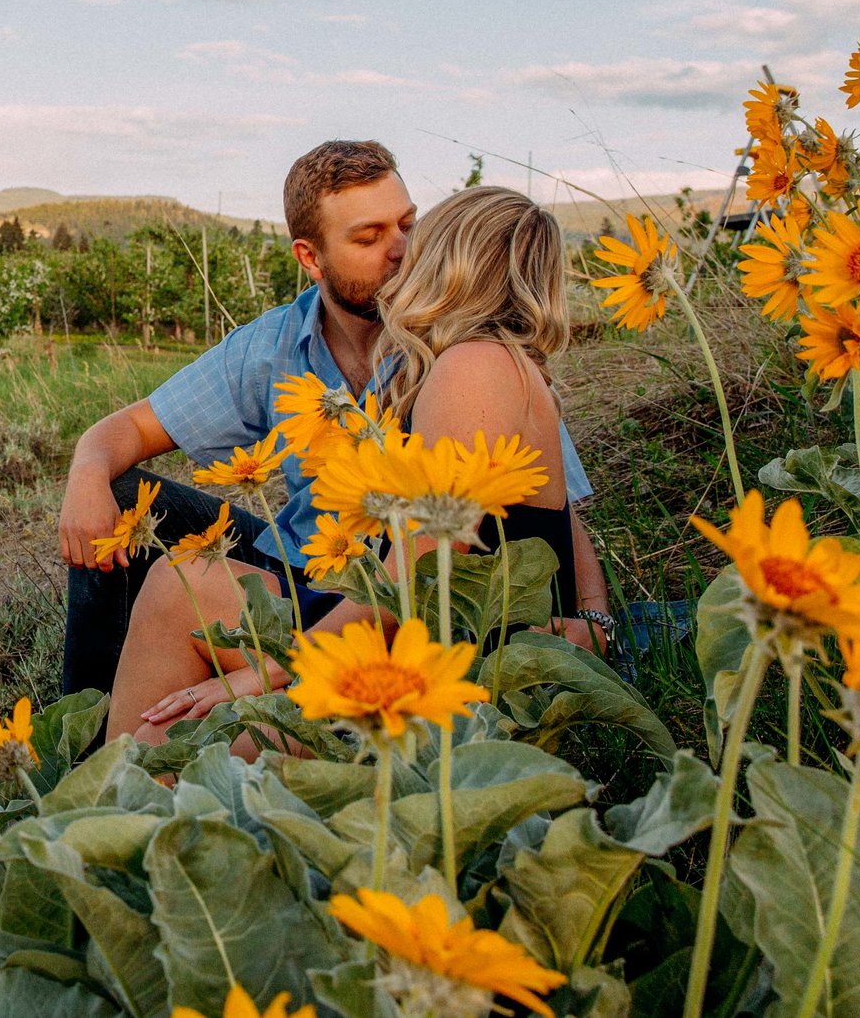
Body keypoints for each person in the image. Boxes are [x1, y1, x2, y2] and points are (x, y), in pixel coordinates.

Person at [54, 143, 606, 704]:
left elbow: (543, 499)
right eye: (368, 238)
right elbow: (133, 427)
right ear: (310, 258)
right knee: (122, 495)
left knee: (200, 620)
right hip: (307, 559)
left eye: (408, 226)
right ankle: (89, 731)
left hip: (396, 578)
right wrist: (85, 471)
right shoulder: (272, 344)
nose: (399, 251)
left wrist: (594, 617)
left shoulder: (458, 346)